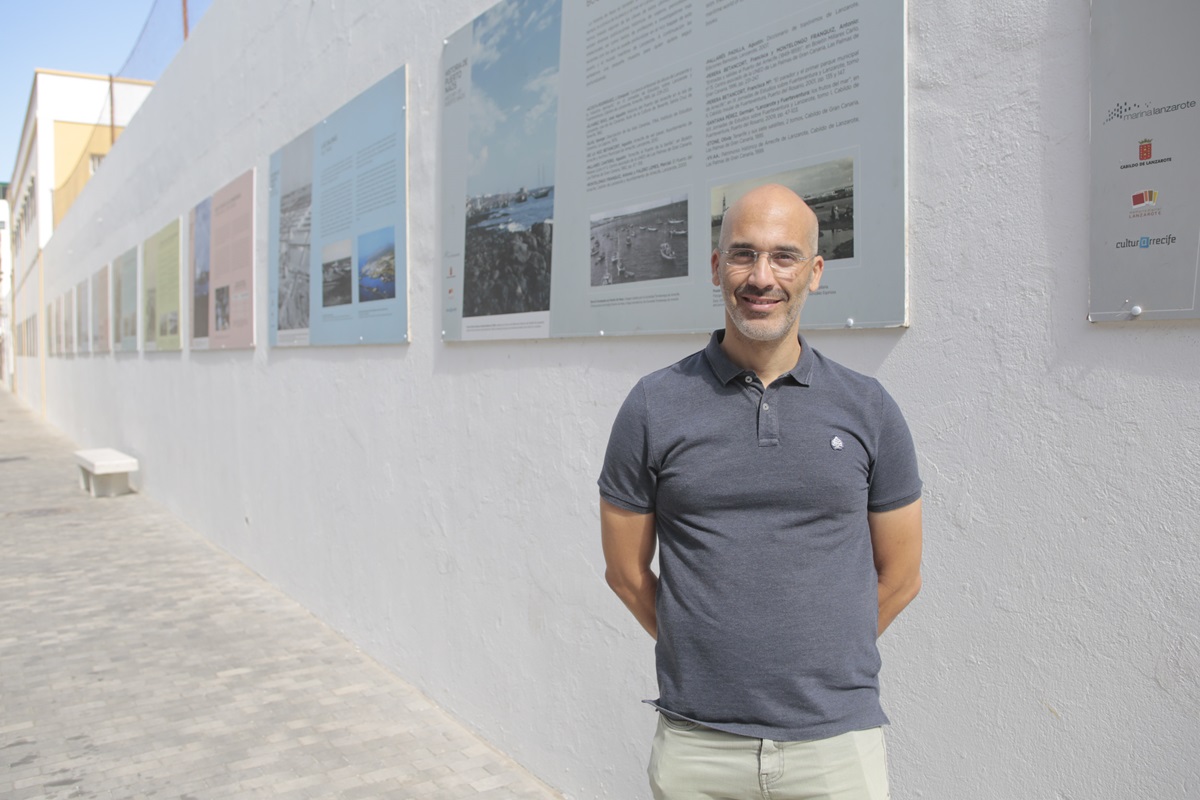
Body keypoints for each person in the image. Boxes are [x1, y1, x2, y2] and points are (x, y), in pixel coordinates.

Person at [598, 183, 923, 799]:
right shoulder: (653, 406)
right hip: (698, 745)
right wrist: (711, 659)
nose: (762, 276)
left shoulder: (869, 408)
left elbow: (902, 576)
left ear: (815, 272)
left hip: (836, 747)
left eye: (784, 256)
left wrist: (817, 659)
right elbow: (625, 572)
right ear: (717, 267)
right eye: (743, 254)